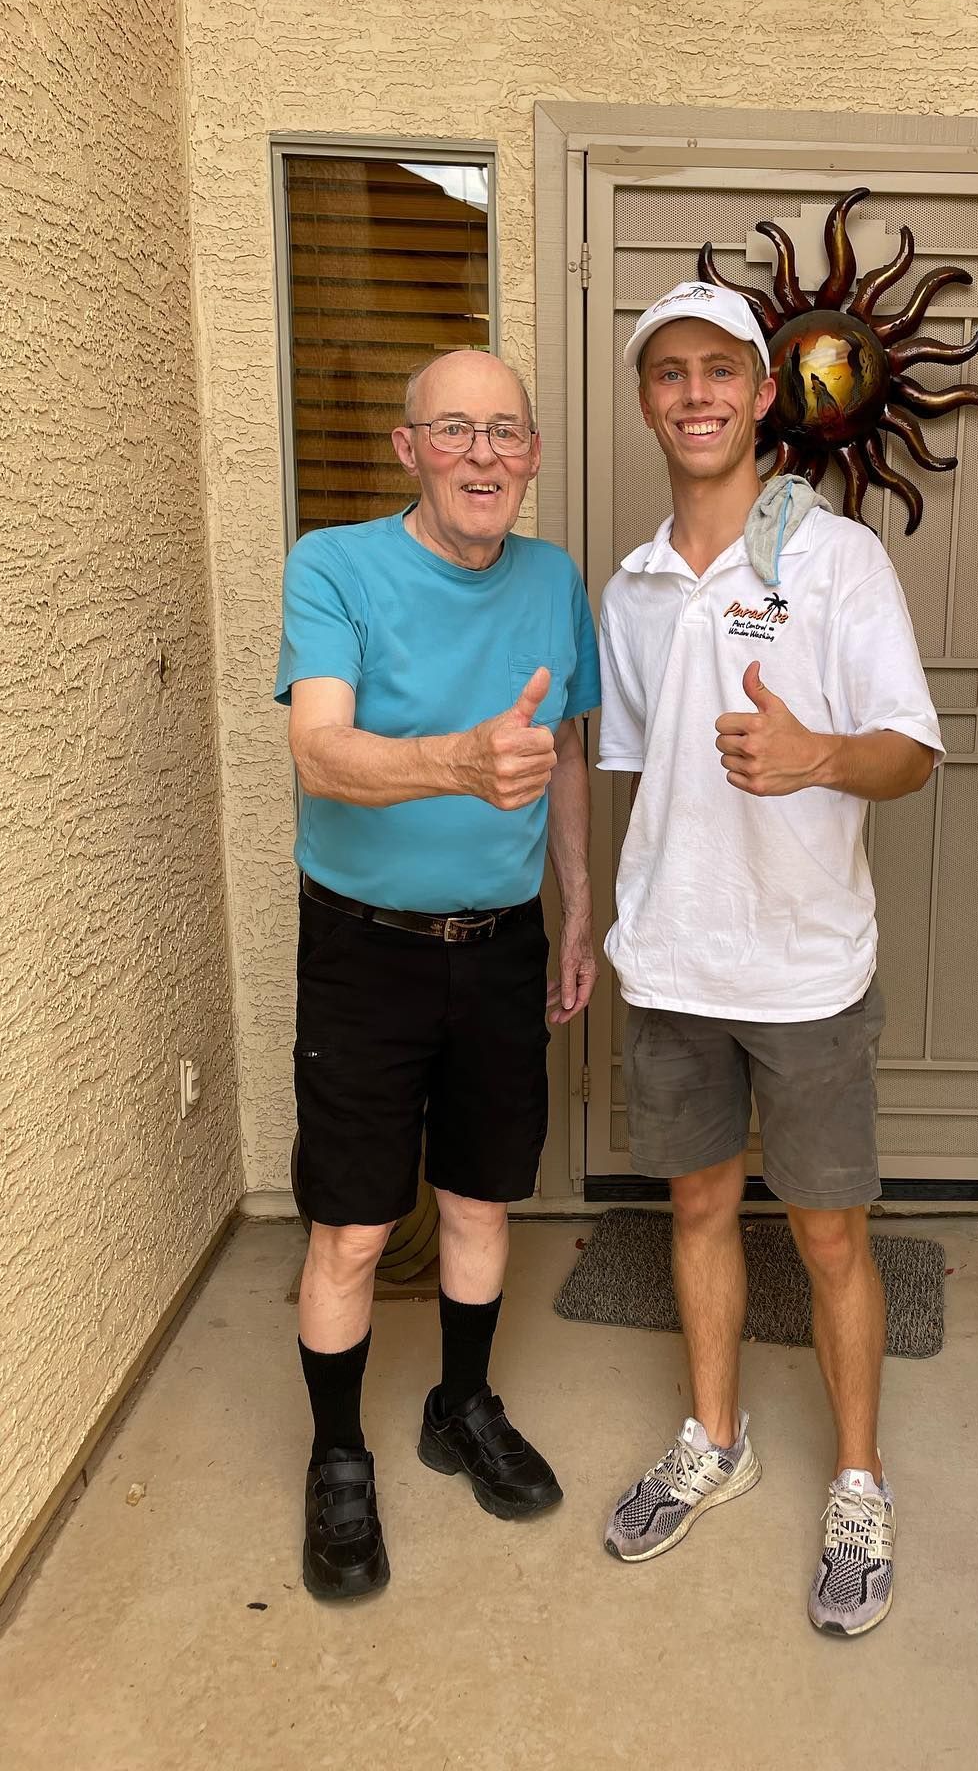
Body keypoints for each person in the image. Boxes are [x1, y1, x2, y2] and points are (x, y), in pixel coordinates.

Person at [597, 283, 942, 1635]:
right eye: (669, 374)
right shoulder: (631, 589)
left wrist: (815, 757)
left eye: (719, 372)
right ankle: (717, 1441)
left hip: (805, 970)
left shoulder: (836, 558)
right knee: (693, 1211)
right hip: (674, 962)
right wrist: (597, 923)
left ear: (760, 396)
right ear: (648, 402)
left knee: (831, 1234)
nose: (694, 394)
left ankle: (858, 1482)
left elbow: (912, 751)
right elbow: (631, 770)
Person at [274, 348, 599, 1600]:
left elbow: (563, 747)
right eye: (453, 430)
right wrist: (457, 762)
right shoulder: (336, 564)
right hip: (365, 949)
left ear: (529, 455)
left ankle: (461, 1406)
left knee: (479, 1202)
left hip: (503, 945)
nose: (481, 455)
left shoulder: (553, 577)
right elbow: (320, 751)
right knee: (354, 1226)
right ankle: (339, 1455)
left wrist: (576, 908)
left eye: (504, 432)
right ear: (409, 448)